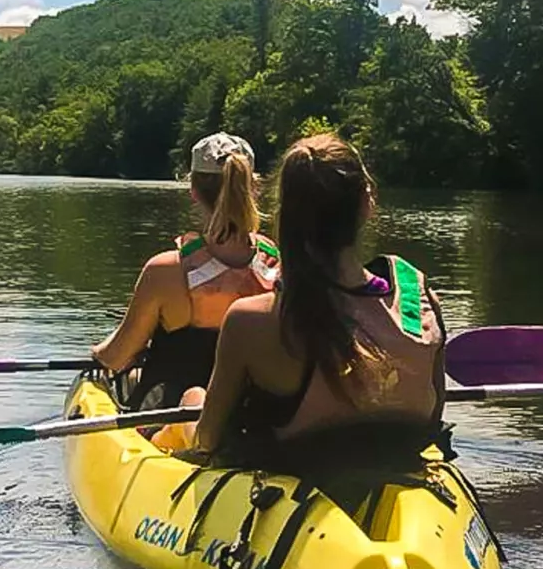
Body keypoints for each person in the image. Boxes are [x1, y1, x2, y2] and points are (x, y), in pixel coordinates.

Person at [153, 131, 446, 456]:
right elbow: (434, 417)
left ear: (286, 214)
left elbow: (208, 441)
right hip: (402, 470)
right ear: (367, 203)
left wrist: (192, 406)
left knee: (194, 395)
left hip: (296, 484)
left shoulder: (250, 320)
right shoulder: (421, 305)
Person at [91, 132, 280, 409]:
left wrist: (97, 352)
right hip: (251, 413)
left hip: (171, 415)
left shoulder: (165, 270)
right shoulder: (277, 265)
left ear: (193, 191)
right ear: (253, 187)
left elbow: (117, 356)